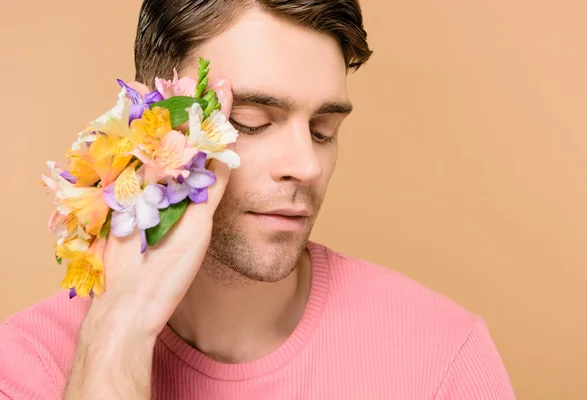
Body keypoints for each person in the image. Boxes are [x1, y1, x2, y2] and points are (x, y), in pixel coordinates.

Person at [0, 1, 516, 399]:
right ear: (147, 124)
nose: (307, 166)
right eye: (251, 123)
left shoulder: (444, 356)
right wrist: (118, 333)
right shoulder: (24, 364)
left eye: (323, 129)